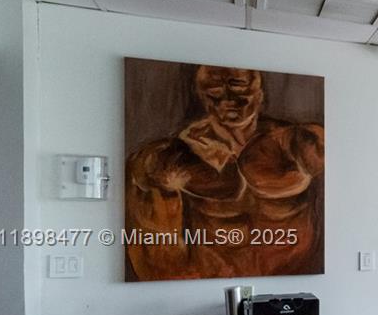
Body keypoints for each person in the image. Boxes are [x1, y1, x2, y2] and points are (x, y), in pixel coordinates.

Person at [126, 65, 324, 280]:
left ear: (259, 94)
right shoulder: (175, 155)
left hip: (293, 276)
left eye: (238, 88)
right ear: (203, 96)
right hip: (212, 277)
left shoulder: (296, 141)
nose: (228, 100)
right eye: (215, 93)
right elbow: (157, 248)